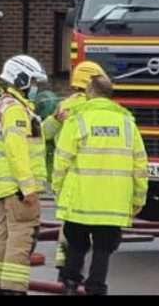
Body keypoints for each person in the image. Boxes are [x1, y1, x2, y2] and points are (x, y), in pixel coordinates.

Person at [51, 75, 148, 296]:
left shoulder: (78, 119)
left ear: (91, 92)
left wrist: (58, 188)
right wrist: (138, 198)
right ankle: (96, 287)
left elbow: (61, 159)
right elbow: (140, 165)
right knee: (103, 248)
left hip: (80, 201)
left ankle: (71, 284)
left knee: (76, 244)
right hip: (113, 204)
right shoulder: (127, 123)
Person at [0, 54, 49, 296]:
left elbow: (33, 138)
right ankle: (14, 290)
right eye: (32, 82)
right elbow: (17, 150)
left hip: (6, 188)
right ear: (21, 79)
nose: (35, 88)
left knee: (4, 236)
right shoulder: (15, 111)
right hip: (19, 190)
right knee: (21, 239)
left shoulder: (7, 105)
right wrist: (28, 187)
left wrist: (53, 121)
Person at [43, 61, 110, 279]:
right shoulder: (102, 111)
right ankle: (81, 272)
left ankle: (65, 268)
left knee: (69, 224)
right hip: (96, 175)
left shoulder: (64, 106)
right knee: (94, 225)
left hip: (68, 174)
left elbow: (45, 134)